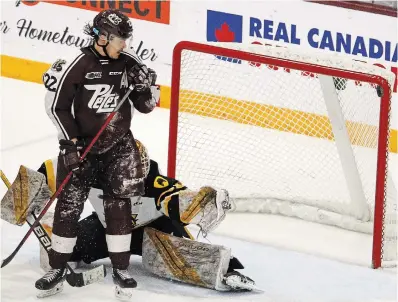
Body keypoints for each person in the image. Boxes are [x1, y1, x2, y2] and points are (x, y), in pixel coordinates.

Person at [0, 140, 256, 299]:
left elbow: (176, 198)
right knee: (70, 248)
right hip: (108, 228)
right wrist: (24, 196)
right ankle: (52, 227)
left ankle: (223, 270)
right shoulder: (90, 173)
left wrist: (202, 203)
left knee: (176, 258)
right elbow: (51, 170)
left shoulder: (153, 181)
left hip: (153, 230)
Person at [37, 8, 160, 298]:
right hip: (81, 148)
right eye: (120, 39)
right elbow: (59, 107)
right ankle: (56, 270)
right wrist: (70, 144)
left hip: (118, 146)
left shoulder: (130, 63)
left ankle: (121, 269)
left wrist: (147, 87)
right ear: (102, 37)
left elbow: (146, 106)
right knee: (68, 206)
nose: (125, 45)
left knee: (119, 207)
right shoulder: (79, 63)